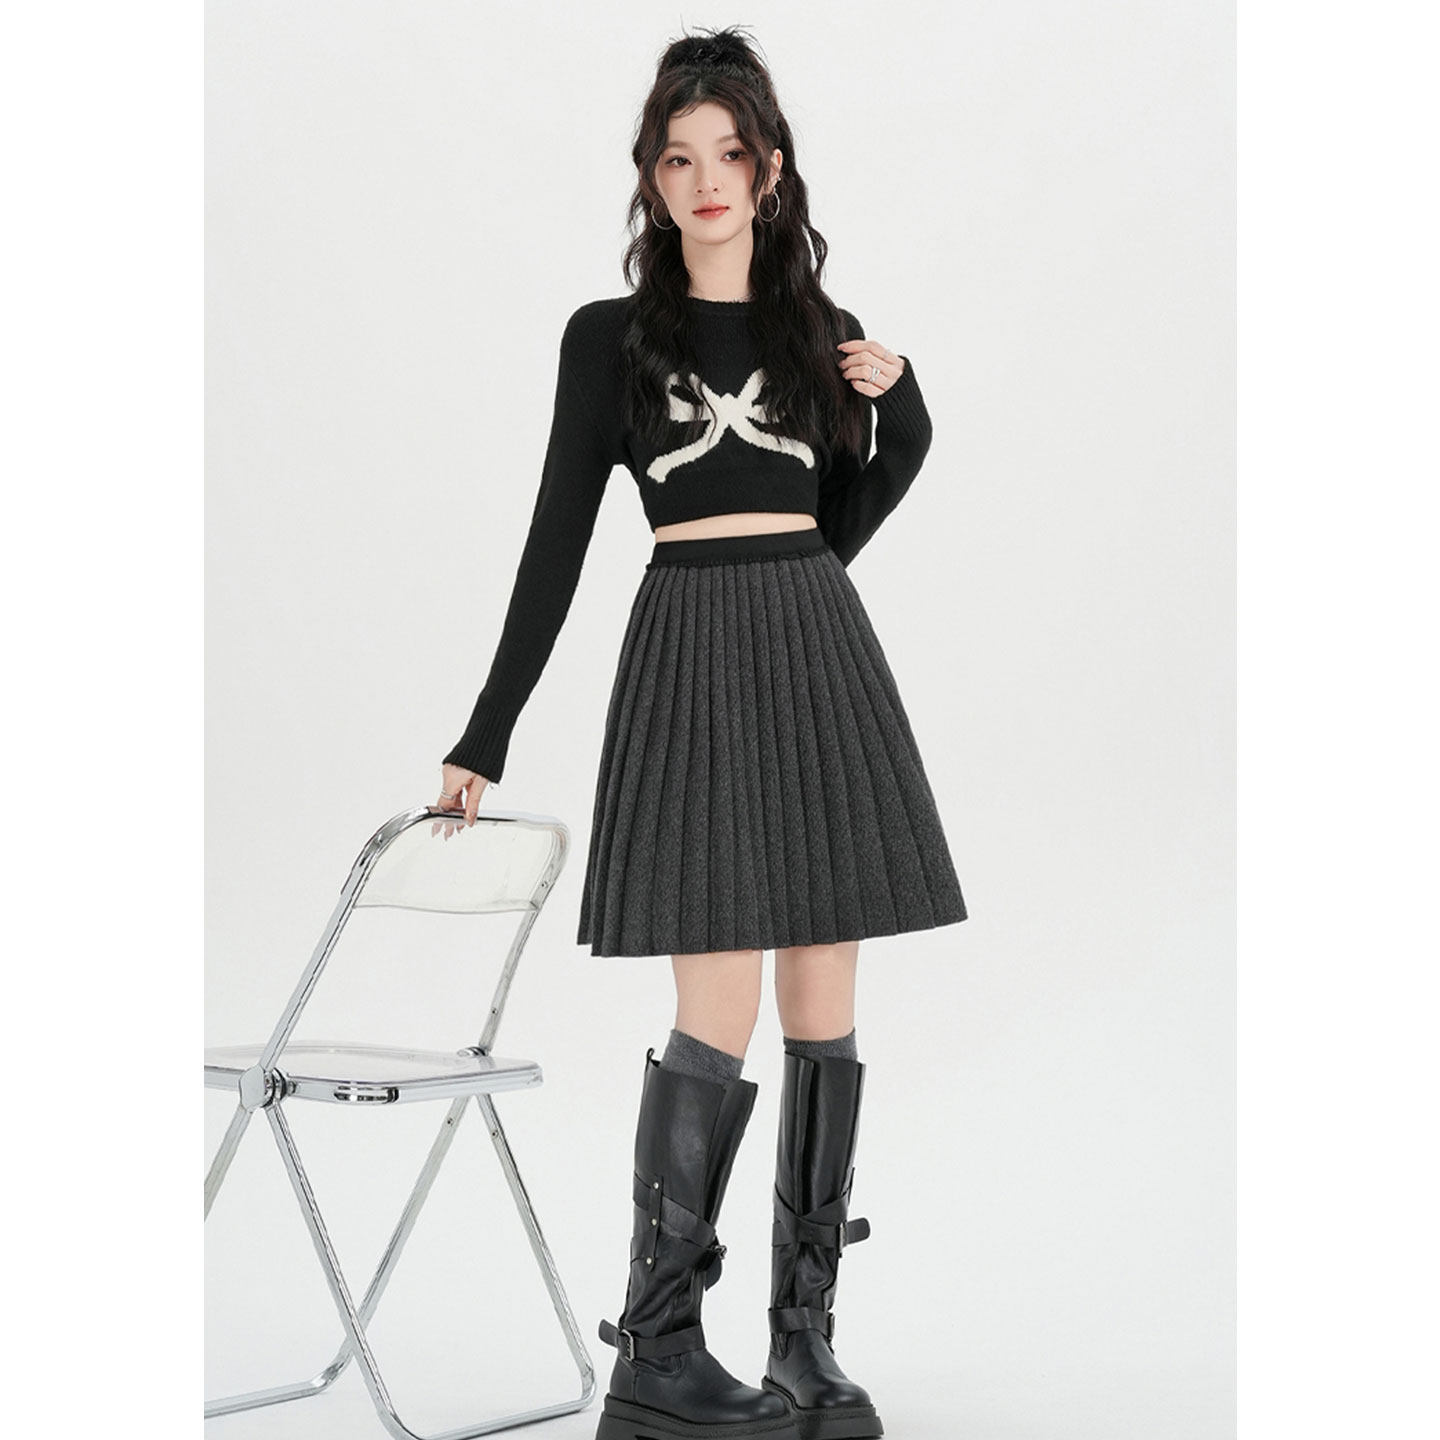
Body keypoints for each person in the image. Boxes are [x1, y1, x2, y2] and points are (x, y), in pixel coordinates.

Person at [434, 25, 967, 1440]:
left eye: (731, 153)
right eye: (679, 159)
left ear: (770, 169)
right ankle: (660, 1348)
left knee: (826, 996)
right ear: (653, 179)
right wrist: (486, 731)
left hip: (814, 646)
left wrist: (905, 422)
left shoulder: (818, 332)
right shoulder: (609, 341)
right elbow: (556, 541)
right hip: (690, 653)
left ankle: (805, 1341)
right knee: (715, 999)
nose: (707, 179)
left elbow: (830, 532)